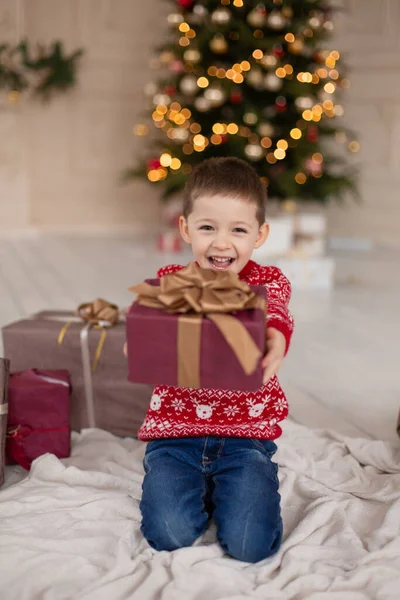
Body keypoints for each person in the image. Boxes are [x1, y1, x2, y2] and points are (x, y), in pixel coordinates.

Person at [138, 156, 294, 563]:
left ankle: (241, 486)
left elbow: (275, 314)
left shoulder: (267, 282)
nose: (222, 243)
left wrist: (275, 338)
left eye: (238, 230)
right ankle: (199, 489)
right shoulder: (174, 279)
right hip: (176, 438)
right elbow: (147, 327)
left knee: (250, 546)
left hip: (245, 438)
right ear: (186, 227)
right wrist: (140, 342)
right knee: (168, 534)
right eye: (208, 228)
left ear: (259, 235)